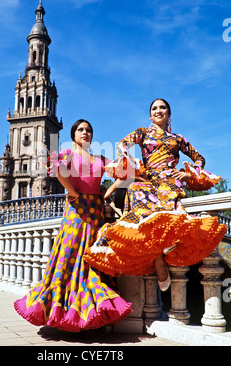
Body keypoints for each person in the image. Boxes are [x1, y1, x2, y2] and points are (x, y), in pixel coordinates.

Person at [83, 99, 227, 292]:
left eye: (162, 108)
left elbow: (199, 158)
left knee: (168, 212)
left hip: (169, 181)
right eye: (154, 108)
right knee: (135, 192)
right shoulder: (142, 132)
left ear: (168, 114)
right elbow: (122, 144)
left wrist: (188, 173)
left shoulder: (178, 138)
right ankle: (159, 259)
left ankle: (164, 251)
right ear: (150, 115)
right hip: (147, 180)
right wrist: (129, 160)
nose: (158, 111)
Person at [14, 119, 133, 332]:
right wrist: (72, 191)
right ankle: (63, 313)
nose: (85, 133)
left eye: (88, 130)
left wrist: (106, 192)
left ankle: (89, 314)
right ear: (73, 134)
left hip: (95, 213)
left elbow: (128, 173)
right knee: (68, 256)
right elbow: (55, 168)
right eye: (80, 130)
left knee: (91, 258)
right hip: (76, 212)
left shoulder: (100, 159)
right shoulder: (68, 154)